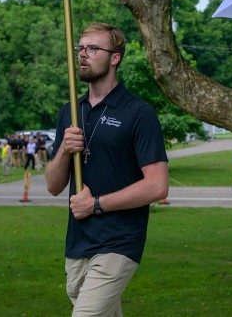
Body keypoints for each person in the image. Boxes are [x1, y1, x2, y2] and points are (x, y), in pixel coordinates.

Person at [46, 22, 169, 315]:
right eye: (80, 48)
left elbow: (157, 185)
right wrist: (65, 148)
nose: (83, 54)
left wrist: (96, 205)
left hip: (118, 241)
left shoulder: (138, 113)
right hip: (77, 243)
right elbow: (53, 185)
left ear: (115, 57)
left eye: (92, 48)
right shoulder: (71, 112)